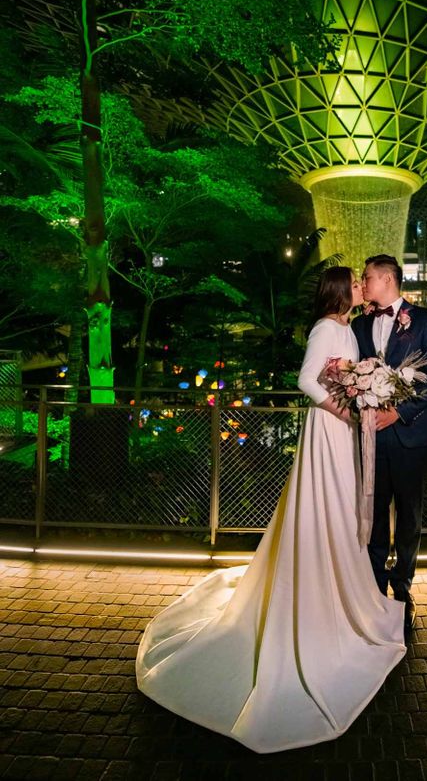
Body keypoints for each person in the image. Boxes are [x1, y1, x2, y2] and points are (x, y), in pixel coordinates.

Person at [136, 267, 405, 754]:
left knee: (340, 511)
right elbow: (306, 379)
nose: (365, 288)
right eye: (359, 283)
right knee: (324, 506)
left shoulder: (347, 327)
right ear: (343, 291)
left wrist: (365, 395)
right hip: (326, 433)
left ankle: (338, 587)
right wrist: (345, 411)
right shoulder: (327, 328)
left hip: (341, 434)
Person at [353, 254, 427, 633]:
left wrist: (401, 411)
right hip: (371, 436)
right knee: (374, 512)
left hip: (413, 435)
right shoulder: (359, 325)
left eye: (367, 278)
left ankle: (403, 587)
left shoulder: (424, 320)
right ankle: (375, 587)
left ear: (386, 279)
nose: (363, 285)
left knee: (409, 516)